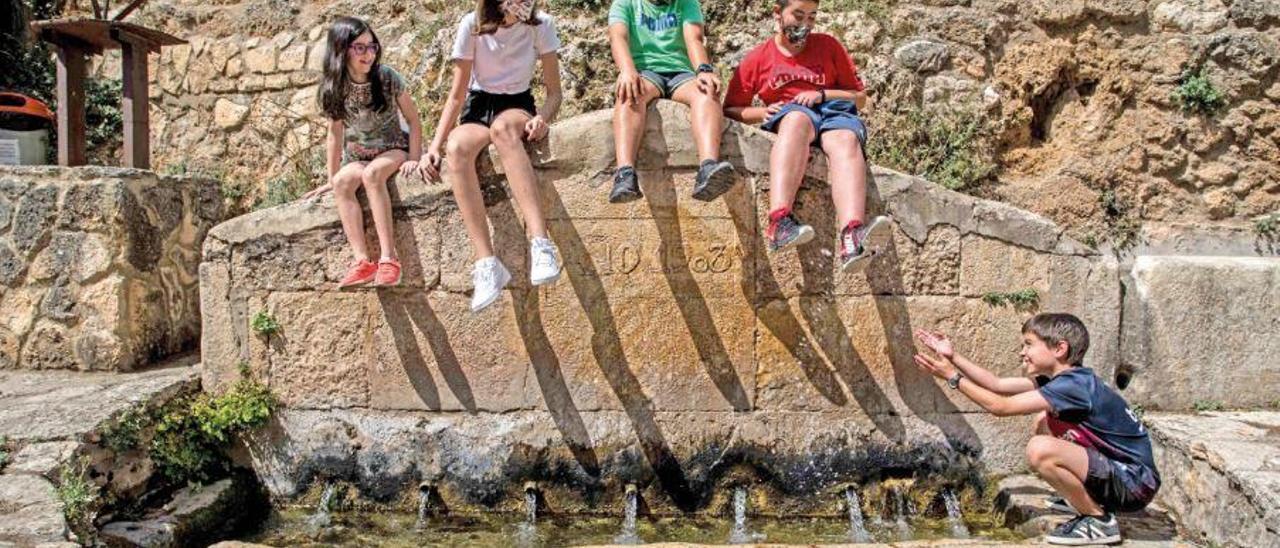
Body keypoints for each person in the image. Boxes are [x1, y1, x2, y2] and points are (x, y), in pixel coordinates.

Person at [913, 313, 1160, 546]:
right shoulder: (1061, 380)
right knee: (1043, 420)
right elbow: (996, 385)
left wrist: (953, 378)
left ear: (1059, 349)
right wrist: (952, 356)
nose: (1022, 352)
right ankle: (1080, 495)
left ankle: (1098, 520)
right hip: (1120, 474)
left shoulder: (1074, 386)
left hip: (1133, 482)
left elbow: (1001, 406)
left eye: (1029, 344)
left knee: (1039, 449)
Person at [724, 0, 889, 270]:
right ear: (778, 13)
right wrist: (761, 112)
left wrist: (822, 94)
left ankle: (852, 236)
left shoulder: (828, 46)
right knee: (797, 119)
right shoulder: (759, 57)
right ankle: (779, 221)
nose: (805, 24)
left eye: (812, 17)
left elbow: (859, 99)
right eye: (798, 15)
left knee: (845, 140)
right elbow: (729, 109)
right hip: (794, 114)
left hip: (834, 113)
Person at [420, 0, 563, 312]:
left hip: (517, 104)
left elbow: (554, 93)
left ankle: (541, 244)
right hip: (478, 104)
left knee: (504, 131)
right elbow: (457, 95)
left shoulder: (541, 25)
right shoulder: (471, 25)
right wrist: (434, 146)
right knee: (456, 149)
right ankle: (487, 263)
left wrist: (544, 118)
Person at [305, 16, 423, 289]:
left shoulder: (387, 78)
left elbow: (414, 121)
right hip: (357, 156)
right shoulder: (333, 88)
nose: (368, 53)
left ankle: (388, 258)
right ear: (341, 49)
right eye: (360, 47)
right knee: (343, 183)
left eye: (372, 46)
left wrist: (414, 158)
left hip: (394, 148)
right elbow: (334, 134)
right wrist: (331, 177)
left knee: (372, 176)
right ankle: (362, 261)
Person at [606, 0, 737, 203]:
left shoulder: (686, 3)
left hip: (681, 73)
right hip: (645, 72)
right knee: (628, 94)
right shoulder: (625, 3)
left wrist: (703, 70)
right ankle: (625, 174)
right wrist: (627, 70)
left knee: (707, 93)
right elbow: (618, 38)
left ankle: (708, 166)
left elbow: (694, 39)